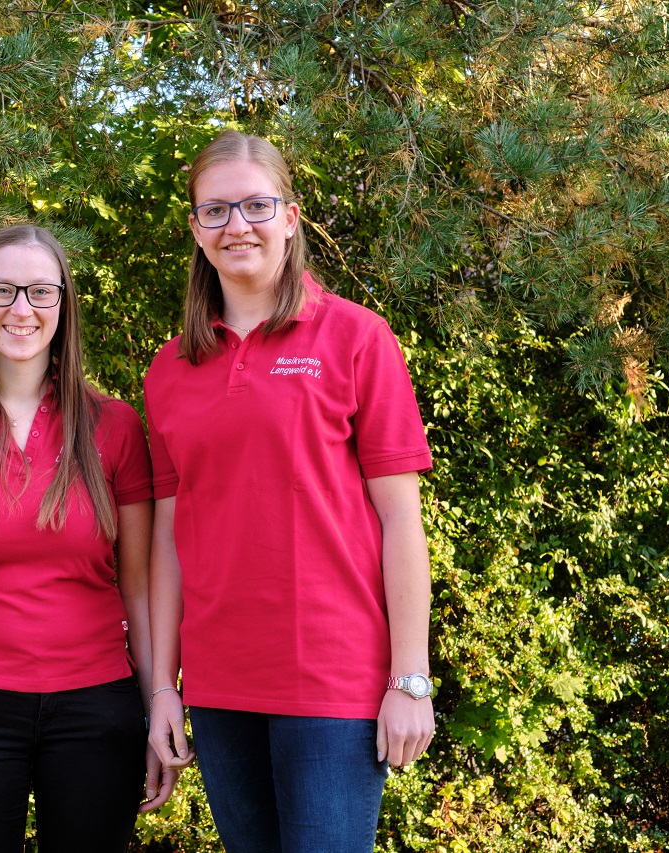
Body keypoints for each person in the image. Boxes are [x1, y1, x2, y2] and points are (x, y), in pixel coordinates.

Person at [143, 131, 436, 853]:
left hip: (332, 681)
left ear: (291, 217)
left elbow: (401, 519)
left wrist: (411, 678)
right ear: (195, 229)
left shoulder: (357, 338)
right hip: (218, 687)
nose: (236, 224)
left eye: (254, 205)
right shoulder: (170, 369)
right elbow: (168, 541)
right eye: (215, 210)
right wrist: (163, 688)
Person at [0, 224, 175, 853]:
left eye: (41, 292)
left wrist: (159, 707)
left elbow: (140, 590)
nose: (22, 309)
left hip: (96, 707)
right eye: (4, 291)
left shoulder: (115, 428)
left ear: (64, 306)